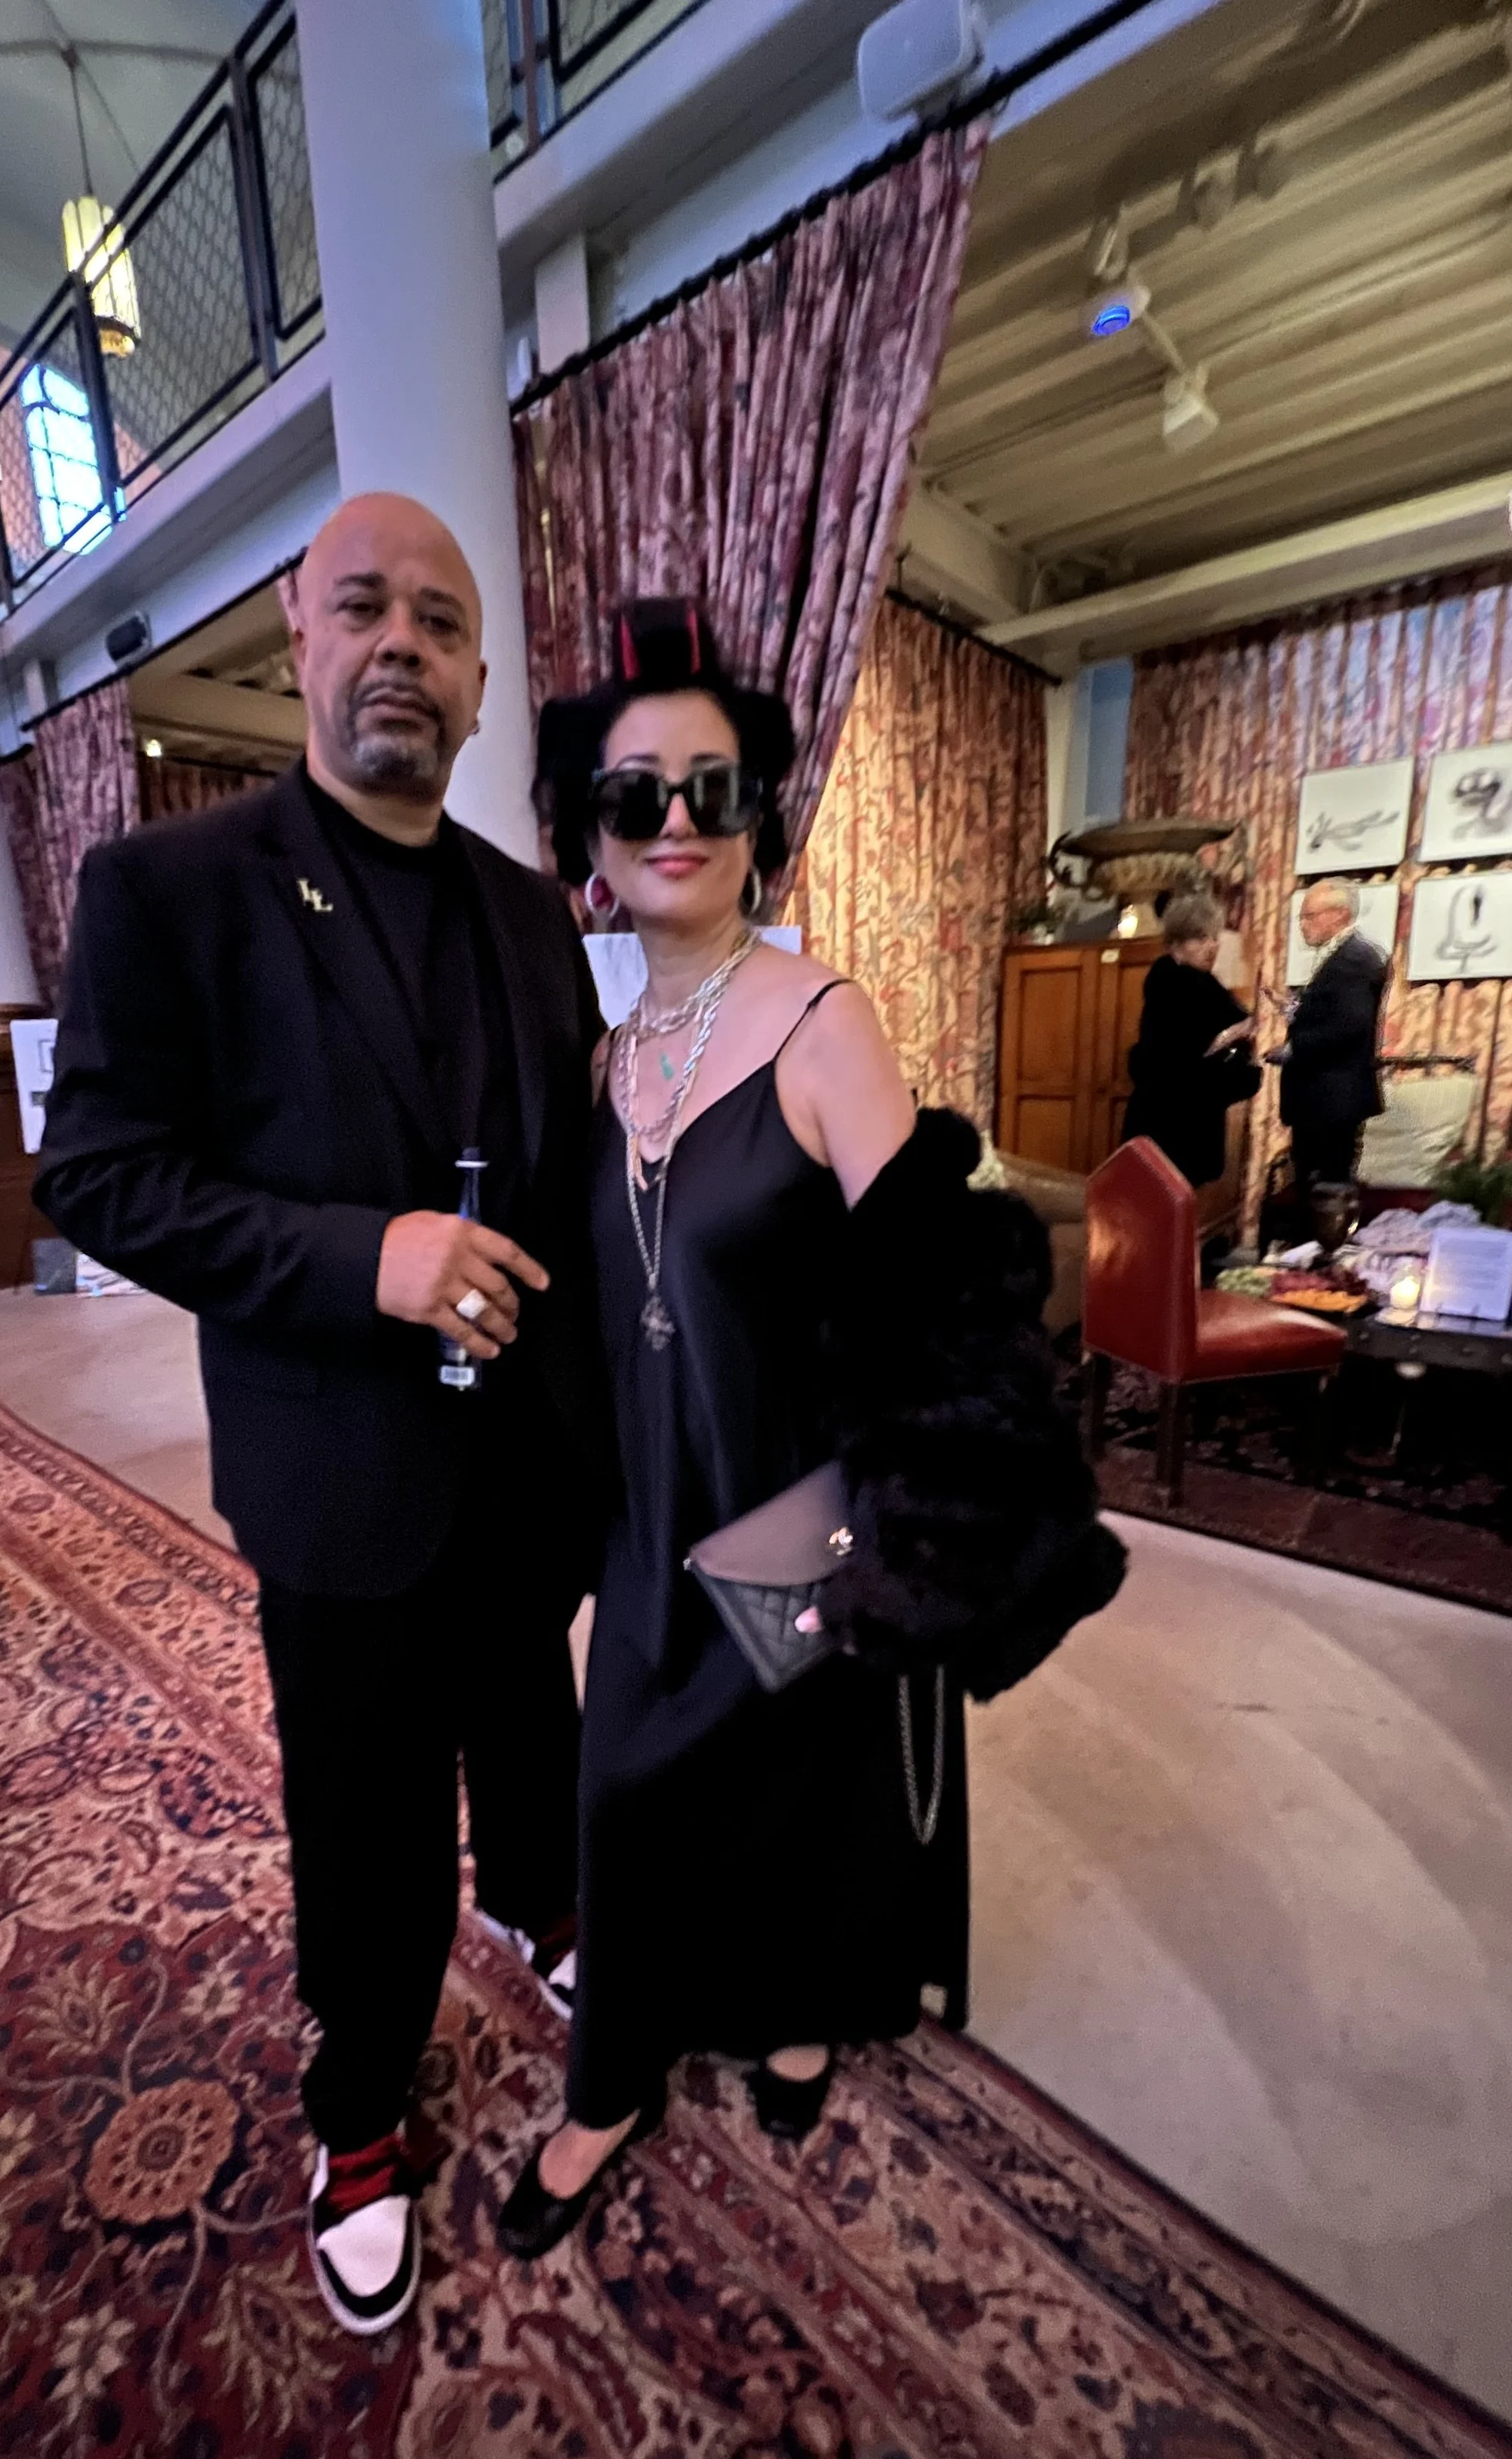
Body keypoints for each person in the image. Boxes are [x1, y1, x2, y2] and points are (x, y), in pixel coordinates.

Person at [35, 493, 609, 2338]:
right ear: (300, 636)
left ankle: (548, 1905)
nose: (402, 648)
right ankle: (357, 2114)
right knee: (363, 1829)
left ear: (478, 679)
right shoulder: (171, 888)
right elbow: (100, 1175)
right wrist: (364, 1258)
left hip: (522, 1462)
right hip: (338, 1475)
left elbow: (571, 1171)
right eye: (364, 607)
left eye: (440, 625)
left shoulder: (532, 912)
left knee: (535, 1720)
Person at [494, 601, 1125, 2257]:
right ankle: (608, 2077)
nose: (677, 823)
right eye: (636, 797)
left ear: (758, 812)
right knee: (622, 1789)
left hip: (802, 1505)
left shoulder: (822, 1016)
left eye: (713, 787)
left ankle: (800, 2010)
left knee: (796, 1779)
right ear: (590, 837)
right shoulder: (596, 1047)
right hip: (645, 1504)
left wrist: (938, 1523)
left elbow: (936, 1289)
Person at [1121, 890, 1261, 1188]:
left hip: (1189, 1124)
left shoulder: (1202, 986)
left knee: (1178, 1209)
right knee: (1162, 1209)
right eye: (1200, 939)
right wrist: (1230, 1037)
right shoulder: (1174, 985)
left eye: (1213, 937)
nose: (1212, 946)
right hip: (1169, 1125)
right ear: (1176, 946)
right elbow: (1175, 1060)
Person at [1273, 877, 1388, 1191]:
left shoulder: (1355, 958)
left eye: (1309, 916)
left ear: (1338, 914)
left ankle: (1322, 1241)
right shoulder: (1345, 956)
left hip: (1332, 1099)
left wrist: (1293, 1048)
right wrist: (1296, 1010)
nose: (1302, 925)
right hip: (1324, 1099)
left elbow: (1351, 1025)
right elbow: (1335, 1014)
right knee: (1314, 1189)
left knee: (1325, 1194)